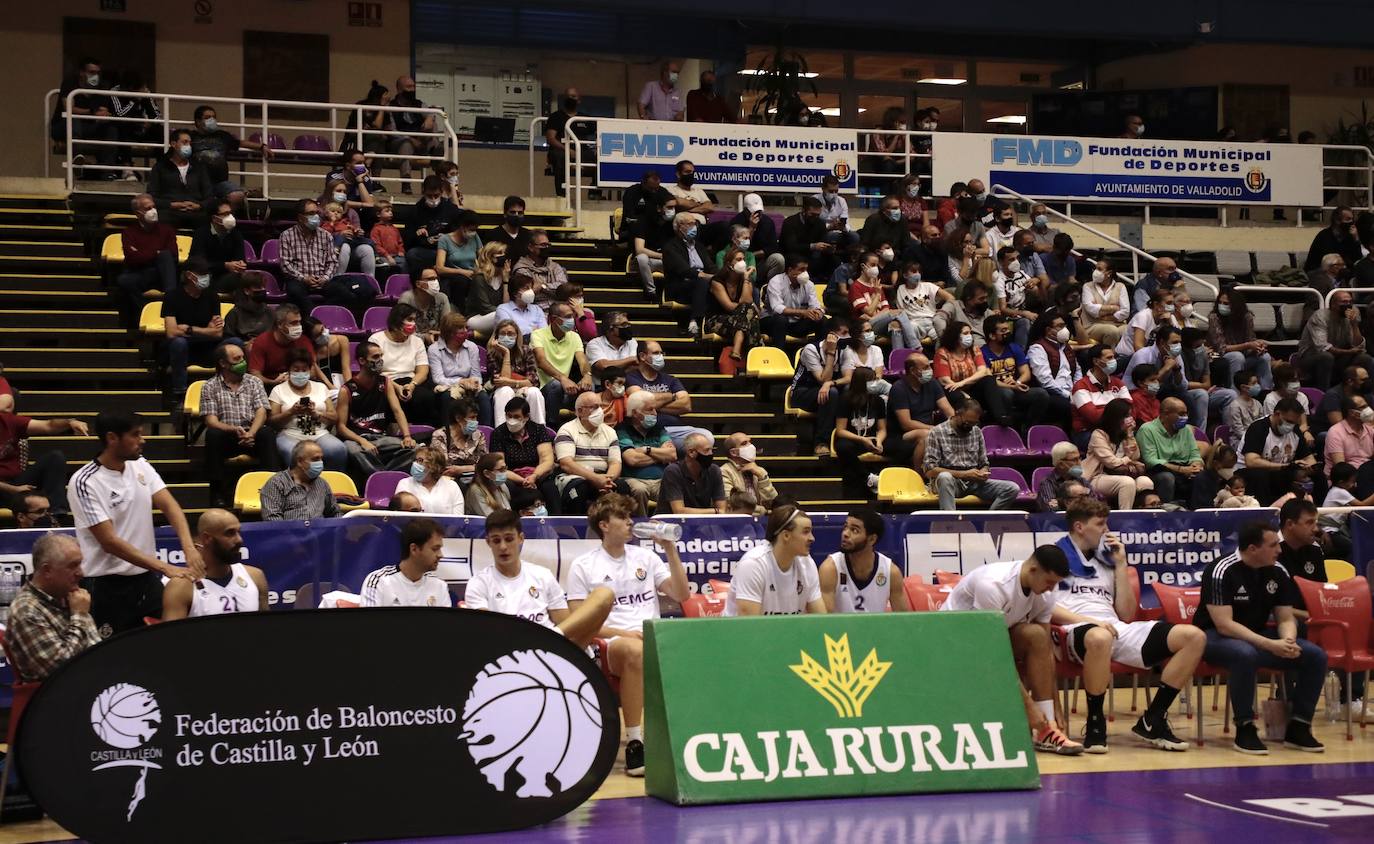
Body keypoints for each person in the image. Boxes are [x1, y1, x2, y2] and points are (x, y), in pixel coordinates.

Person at [1053, 499, 1203, 752]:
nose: (1106, 529)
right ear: (1079, 526)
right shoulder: (1054, 555)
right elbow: (1044, 607)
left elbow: (1126, 613)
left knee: (1193, 637)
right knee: (1099, 637)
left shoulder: (1107, 559)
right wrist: (1089, 621)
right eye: (1100, 523)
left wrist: (1121, 564)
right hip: (1072, 629)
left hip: (1113, 627)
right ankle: (1095, 723)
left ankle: (1153, 719)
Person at [567, 492, 691, 776]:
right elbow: (579, 622)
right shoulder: (584, 565)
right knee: (634, 651)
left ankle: (690, 736)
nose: (630, 523)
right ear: (604, 525)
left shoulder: (646, 558)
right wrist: (625, 632)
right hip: (610, 643)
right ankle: (635, 742)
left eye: (630, 517)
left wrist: (670, 551)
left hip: (654, 636)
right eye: (622, 517)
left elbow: (682, 594)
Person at [1193, 521, 1327, 754]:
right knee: (1244, 654)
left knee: (1315, 656)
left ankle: (1299, 725)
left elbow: (1285, 618)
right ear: (1253, 549)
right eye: (1273, 545)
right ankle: (1244, 727)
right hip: (1211, 637)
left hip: (1257, 634)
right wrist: (1270, 644)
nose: (1280, 550)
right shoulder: (1221, 570)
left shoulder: (1278, 570)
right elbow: (1224, 625)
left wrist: (1288, 642)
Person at [69, 410, 204, 636]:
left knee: (159, 647)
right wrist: (165, 567)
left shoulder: (140, 464)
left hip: (145, 580)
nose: (143, 439)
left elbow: (170, 506)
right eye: (135, 434)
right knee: (110, 658)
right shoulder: (84, 481)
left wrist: (189, 548)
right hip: (105, 584)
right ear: (112, 438)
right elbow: (109, 542)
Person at [940, 545, 1085, 755]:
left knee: (1036, 635)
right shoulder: (993, 585)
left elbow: (1044, 648)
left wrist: (1053, 704)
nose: (1052, 589)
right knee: (1018, 642)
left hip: (993, 637)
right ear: (1033, 569)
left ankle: (1046, 731)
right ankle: (1041, 726)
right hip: (954, 641)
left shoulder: (1044, 593)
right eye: (1049, 582)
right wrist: (1029, 707)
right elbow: (993, 652)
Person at [471, 509, 613, 644]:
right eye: (496, 541)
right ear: (488, 542)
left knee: (604, 594)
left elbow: (566, 623)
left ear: (521, 539)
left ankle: (551, 640)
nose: (503, 547)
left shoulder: (542, 575)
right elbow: (488, 632)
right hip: (510, 654)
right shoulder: (478, 583)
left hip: (553, 649)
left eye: (509, 539)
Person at [5, 534, 100, 682]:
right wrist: (80, 616)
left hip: (94, 683)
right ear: (47, 570)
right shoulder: (26, 610)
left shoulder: (69, 596)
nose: (81, 573)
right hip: (63, 697)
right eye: (73, 566)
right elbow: (61, 669)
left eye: (80, 564)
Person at [200, 342, 278, 505]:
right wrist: (234, 429)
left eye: (243, 357)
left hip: (253, 435)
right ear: (223, 363)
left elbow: (261, 411)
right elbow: (211, 421)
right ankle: (217, 493)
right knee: (212, 435)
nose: (243, 362)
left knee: (268, 433)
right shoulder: (210, 386)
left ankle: (272, 490)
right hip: (228, 436)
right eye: (237, 359)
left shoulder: (254, 382)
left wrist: (252, 432)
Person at [725, 501, 827, 617]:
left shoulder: (807, 564)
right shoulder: (754, 564)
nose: (812, 538)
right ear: (786, 536)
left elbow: (820, 619)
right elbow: (749, 627)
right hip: (740, 634)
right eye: (806, 532)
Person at [162, 509, 267, 619]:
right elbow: (171, 635)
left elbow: (265, 628)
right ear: (207, 538)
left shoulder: (255, 577)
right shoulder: (181, 587)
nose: (239, 540)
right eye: (230, 533)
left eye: (238, 532)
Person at [336, 342, 419, 476]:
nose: (380, 360)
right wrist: (362, 441)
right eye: (375, 357)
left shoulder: (385, 382)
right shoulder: (347, 390)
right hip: (356, 439)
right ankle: (381, 477)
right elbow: (340, 427)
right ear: (362, 360)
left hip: (381, 438)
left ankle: (382, 475)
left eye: (381, 356)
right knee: (354, 451)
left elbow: (397, 411)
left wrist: (407, 436)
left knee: (415, 449)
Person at [923, 399, 1021, 510]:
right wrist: (963, 474)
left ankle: (987, 522)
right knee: (944, 477)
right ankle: (951, 523)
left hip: (974, 482)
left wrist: (983, 472)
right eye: (967, 422)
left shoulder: (976, 432)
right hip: (951, 483)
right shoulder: (937, 432)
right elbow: (929, 471)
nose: (969, 426)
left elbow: (984, 463)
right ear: (957, 414)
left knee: (1012, 488)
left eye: (974, 423)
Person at [268, 349, 347, 471]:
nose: (300, 373)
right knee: (295, 454)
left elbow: (334, 417)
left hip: (320, 433)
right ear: (288, 370)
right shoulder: (278, 390)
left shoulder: (321, 387)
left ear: (310, 370)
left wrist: (317, 413)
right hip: (290, 434)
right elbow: (272, 421)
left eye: (304, 369)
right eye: (296, 369)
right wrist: (291, 412)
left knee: (338, 449)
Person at [818, 509, 908, 613]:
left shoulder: (891, 572)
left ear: (872, 539)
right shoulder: (830, 568)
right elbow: (824, 619)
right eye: (845, 527)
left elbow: (903, 620)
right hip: (841, 629)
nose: (845, 534)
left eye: (854, 530)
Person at [555, 391, 630, 514]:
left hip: (604, 476)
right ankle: (576, 531)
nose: (600, 411)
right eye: (594, 407)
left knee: (622, 487)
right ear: (579, 411)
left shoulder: (610, 432)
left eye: (601, 406)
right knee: (580, 488)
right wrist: (595, 479)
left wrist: (607, 481)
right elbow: (566, 464)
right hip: (575, 477)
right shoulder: (567, 430)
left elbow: (615, 463)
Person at [159, 258, 224, 395]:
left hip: (207, 346)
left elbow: (218, 333)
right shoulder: (172, 296)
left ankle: (227, 390)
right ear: (189, 275)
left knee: (234, 343)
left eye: (207, 273)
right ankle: (179, 392)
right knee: (178, 342)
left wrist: (190, 329)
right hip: (183, 347)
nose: (206, 277)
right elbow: (171, 332)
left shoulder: (212, 296)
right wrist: (207, 330)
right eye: (202, 273)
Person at [1123, 325, 1207, 430]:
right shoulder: (1143, 355)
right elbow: (1144, 384)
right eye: (1175, 342)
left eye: (1179, 342)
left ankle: (1196, 432)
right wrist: (1166, 368)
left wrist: (1176, 370)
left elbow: (1183, 386)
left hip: (1163, 392)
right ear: (1162, 343)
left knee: (1197, 395)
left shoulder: (1176, 356)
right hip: (1138, 392)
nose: (1178, 346)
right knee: (1178, 399)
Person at [115, 194, 179, 328]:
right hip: (141, 273)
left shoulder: (167, 230)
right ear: (138, 213)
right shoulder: (129, 232)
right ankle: (144, 314)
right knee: (124, 281)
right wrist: (156, 253)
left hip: (163, 274)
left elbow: (173, 254)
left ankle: (171, 303)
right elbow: (132, 258)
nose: (153, 211)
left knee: (166, 257)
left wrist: (146, 254)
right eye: (148, 208)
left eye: (154, 207)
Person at [1237, 397, 1316, 505]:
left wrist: (1308, 468)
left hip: (1280, 471)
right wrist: (1286, 466)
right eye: (1289, 421)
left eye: (1294, 423)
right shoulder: (1258, 428)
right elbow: (1251, 461)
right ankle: (1264, 514)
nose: (1291, 426)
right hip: (1248, 472)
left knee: (1318, 475)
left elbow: (1309, 458)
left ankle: (1317, 511)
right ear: (1278, 414)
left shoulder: (1295, 431)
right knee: (1260, 476)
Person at [885, 352, 956, 472]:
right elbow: (906, 424)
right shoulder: (899, 388)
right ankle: (920, 477)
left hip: (928, 430)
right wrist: (935, 429)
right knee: (927, 435)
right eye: (926, 367)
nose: (930, 370)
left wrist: (955, 425)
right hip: (900, 436)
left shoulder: (932, 383)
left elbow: (948, 409)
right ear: (913, 370)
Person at [189, 104, 271, 205]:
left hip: (220, 183)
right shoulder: (190, 137)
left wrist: (262, 147)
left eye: (213, 117)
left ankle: (224, 215)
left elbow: (241, 143)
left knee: (237, 195)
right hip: (197, 183)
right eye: (207, 117)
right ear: (197, 121)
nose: (212, 120)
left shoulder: (223, 136)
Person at [369, 303, 435, 426]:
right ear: (397, 321)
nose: (413, 324)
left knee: (427, 397)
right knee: (389, 398)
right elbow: (374, 371)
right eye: (409, 319)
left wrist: (412, 385)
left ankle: (423, 434)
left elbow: (423, 370)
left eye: (415, 320)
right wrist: (396, 387)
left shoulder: (417, 341)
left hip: (410, 381)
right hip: (386, 381)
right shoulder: (376, 340)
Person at [361, 518, 452, 607]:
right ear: (414, 549)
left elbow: (446, 622)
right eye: (435, 549)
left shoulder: (439, 585)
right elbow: (369, 621)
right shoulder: (379, 581)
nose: (440, 555)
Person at [1083, 399, 1154, 510]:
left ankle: (1141, 520)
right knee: (1127, 483)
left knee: (1146, 482)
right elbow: (1112, 462)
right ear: (1116, 418)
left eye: (1131, 415)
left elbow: (1135, 456)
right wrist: (1128, 460)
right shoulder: (1098, 434)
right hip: (1097, 477)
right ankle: (1125, 520)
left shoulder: (1124, 434)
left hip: (1121, 474)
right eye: (1126, 416)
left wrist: (1130, 435)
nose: (1130, 419)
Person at [491, 396, 558, 515]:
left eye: (516, 417)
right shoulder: (498, 433)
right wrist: (523, 480)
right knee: (507, 486)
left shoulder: (538, 430)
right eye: (509, 416)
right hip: (512, 476)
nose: (511, 420)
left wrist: (534, 476)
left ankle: (556, 523)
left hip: (537, 474)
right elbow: (499, 466)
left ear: (526, 417)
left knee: (550, 487)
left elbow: (547, 460)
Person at [982, 315, 1051, 429]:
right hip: (996, 392)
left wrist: (1017, 383)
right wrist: (1011, 387)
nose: (1008, 332)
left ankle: (1028, 429)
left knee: (1041, 394)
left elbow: (1026, 373)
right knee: (1006, 393)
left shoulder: (1014, 348)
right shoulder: (982, 353)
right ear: (992, 335)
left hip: (1015, 387)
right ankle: (1008, 428)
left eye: (1008, 329)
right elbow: (988, 379)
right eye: (1003, 330)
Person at [1296, 289, 1373, 389]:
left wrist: (1354, 325)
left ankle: (1363, 394)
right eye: (1344, 302)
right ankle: (1324, 394)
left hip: (1339, 357)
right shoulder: (1320, 317)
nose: (1348, 305)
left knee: (1365, 358)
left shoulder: (1353, 314)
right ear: (1333, 305)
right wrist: (1349, 352)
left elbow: (1359, 346)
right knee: (1326, 357)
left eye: (1350, 302)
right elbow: (1323, 347)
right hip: (1311, 357)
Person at [1136, 397, 1204, 505]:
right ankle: (1165, 513)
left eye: (1186, 414)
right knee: (1167, 477)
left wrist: (1196, 465)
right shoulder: (1147, 430)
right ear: (1165, 414)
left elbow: (1195, 454)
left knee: (1202, 475)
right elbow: (1150, 461)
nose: (1185, 418)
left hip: (1185, 469)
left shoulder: (1186, 430)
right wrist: (1181, 469)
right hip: (1159, 471)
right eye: (1181, 414)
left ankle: (1197, 514)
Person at [616, 392, 674, 515]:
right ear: (636, 413)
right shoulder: (622, 430)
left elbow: (672, 454)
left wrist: (647, 450)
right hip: (634, 479)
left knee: (674, 487)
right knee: (639, 490)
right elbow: (632, 459)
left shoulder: (658, 428)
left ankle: (667, 527)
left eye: (655, 409)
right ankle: (640, 528)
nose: (655, 413)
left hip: (660, 480)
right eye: (650, 409)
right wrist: (660, 456)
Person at [833, 367, 886, 497]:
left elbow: (882, 429)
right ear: (861, 383)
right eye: (872, 381)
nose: (875, 383)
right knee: (843, 447)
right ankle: (868, 477)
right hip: (854, 440)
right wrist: (862, 440)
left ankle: (892, 481)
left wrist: (879, 442)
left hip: (873, 439)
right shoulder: (845, 399)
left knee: (900, 446)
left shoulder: (878, 401)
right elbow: (840, 431)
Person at [486, 318, 547, 428]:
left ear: (517, 336)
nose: (506, 337)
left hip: (524, 389)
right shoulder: (492, 354)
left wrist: (513, 382)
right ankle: (501, 433)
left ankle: (540, 432)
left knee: (534, 392)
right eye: (503, 334)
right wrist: (506, 353)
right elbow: (501, 381)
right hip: (501, 392)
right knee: (505, 390)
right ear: (496, 337)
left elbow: (533, 381)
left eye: (510, 334)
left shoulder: (526, 350)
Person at [532, 301, 592, 413]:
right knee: (556, 384)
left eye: (573, 316)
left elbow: (582, 360)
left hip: (567, 388)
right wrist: (563, 378)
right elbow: (541, 361)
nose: (572, 320)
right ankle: (551, 427)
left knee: (589, 387)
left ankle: (585, 424)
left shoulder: (575, 336)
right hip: (544, 389)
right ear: (554, 319)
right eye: (568, 317)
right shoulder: (537, 334)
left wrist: (587, 375)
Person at [706, 252, 762, 371]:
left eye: (744, 259)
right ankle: (755, 362)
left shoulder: (746, 281)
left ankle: (738, 352)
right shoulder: (717, 281)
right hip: (717, 320)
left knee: (748, 314)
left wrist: (747, 278)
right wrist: (748, 308)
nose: (743, 262)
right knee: (749, 315)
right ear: (729, 264)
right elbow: (729, 306)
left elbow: (746, 301)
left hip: (739, 321)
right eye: (738, 259)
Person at [146, 129, 213, 228]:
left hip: (195, 211)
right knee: (159, 219)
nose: (189, 146)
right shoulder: (160, 167)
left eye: (190, 143)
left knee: (210, 221)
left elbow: (209, 196)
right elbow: (152, 196)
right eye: (185, 142)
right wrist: (172, 204)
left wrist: (199, 206)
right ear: (173, 144)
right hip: (170, 211)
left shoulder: (199, 167)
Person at [662, 213, 715, 336]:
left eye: (695, 224)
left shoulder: (699, 246)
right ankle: (694, 321)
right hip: (680, 286)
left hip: (702, 281)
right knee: (701, 283)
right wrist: (705, 276)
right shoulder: (671, 247)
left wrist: (720, 275)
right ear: (680, 227)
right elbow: (684, 270)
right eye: (691, 224)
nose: (695, 227)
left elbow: (711, 266)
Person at [1207, 289, 1272, 390]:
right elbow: (1222, 348)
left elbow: (1251, 340)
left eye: (1226, 303)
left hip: (1244, 355)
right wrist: (1248, 345)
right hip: (1221, 358)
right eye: (1220, 302)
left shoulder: (1247, 317)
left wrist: (1258, 347)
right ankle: (1235, 392)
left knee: (1265, 357)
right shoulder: (1214, 317)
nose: (1222, 305)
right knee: (1237, 356)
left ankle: (1266, 391)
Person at [260, 440, 341, 522]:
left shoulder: (322, 484)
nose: (321, 463)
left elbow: (334, 512)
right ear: (299, 461)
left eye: (321, 459)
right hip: (288, 533)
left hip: (320, 533)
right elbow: (272, 520)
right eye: (315, 459)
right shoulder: (276, 483)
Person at [1071, 345, 1131, 443]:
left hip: (1114, 429)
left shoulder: (1118, 383)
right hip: (1087, 432)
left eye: (1114, 357)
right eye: (1109, 358)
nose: (1114, 361)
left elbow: (1130, 409)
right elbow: (1094, 417)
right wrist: (1118, 411)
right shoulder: (1081, 386)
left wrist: (1106, 410)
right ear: (1096, 361)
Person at [656, 432, 724, 515]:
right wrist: (715, 511)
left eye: (712, 450)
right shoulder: (673, 471)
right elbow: (679, 511)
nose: (711, 454)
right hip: (671, 524)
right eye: (707, 450)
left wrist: (717, 511)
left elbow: (722, 510)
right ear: (691, 452)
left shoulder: (714, 470)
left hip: (702, 523)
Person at [763, 256, 825, 347]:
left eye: (806, 270)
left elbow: (815, 305)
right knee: (780, 319)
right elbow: (777, 308)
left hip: (795, 324)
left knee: (822, 320)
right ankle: (780, 354)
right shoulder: (776, 281)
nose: (805, 273)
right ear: (790, 270)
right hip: (772, 321)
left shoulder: (809, 284)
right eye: (801, 270)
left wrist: (817, 312)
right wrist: (803, 312)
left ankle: (817, 352)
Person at [405, 176, 463, 270]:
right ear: (423, 192)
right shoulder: (415, 211)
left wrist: (446, 238)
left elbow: (458, 232)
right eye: (429, 196)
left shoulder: (451, 209)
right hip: (425, 249)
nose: (433, 199)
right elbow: (408, 240)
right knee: (412, 254)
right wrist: (417, 234)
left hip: (447, 250)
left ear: (441, 192)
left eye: (436, 196)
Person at [190, 198, 247, 292]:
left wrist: (240, 265)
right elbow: (198, 263)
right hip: (207, 277)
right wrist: (225, 265)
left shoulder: (236, 234)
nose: (230, 217)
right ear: (214, 218)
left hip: (229, 277)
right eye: (225, 214)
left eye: (230, 213)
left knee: (245, 279)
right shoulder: (201, 234)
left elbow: (240, 257)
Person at [430, 397, 487, 485]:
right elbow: (443, 467)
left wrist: (462, 469)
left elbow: (486, 464)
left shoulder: (478, 435)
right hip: (449, 481)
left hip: (474, 477)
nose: (475, 421)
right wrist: (473, 467)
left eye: (476, 417)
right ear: (458, 418)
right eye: (472, 417)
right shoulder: (440, 436)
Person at [395, 445, 465, 515]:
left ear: (434, 465)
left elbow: (458, 519)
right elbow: (401, 516)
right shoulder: (404, 484)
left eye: (420, 460)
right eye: (415, 460)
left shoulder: (452, 486)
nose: (415, 464)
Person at [719, 433, 777, 515]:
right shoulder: (724, 472)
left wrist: (762, 478)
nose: (751, 446)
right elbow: (736, 506)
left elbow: (773, 503)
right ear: (733, 452)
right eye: (744, 443)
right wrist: (765, 512)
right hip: (738, 523)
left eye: (750, 442)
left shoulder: (759, 471)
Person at [433, 210, 481, 303]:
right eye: (471, 230)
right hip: (454, 277)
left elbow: (483, 257)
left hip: (473, 275)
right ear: (462, 226)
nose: (473, 232)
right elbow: (440, 268)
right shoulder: (445, 240)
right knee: (462, 281)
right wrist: (462, 272)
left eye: (475, 230)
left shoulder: (475, 237)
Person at [513, 230, 569, 309]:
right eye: (543, 245)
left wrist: (543, 287)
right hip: (534, 308)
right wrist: (553, 288)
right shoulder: (521, 269)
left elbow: (564, 289)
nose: (546, 248)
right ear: (530, 247)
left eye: (548, 245)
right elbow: (529, 294)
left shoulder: (555, 266)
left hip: (558, 308)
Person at [1079, 262, 1131, 347]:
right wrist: (1114, 308)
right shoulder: (1087, 286)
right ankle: (1109, 357)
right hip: (1092, 325)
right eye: (1095, 268)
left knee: (1129, 330)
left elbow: (1125, 312)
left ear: (1109, 273)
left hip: (1117, 323)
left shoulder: (1120, 286)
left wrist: (1104, 315)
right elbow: (1091, 309)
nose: (1095, 271)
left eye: (1099, 269)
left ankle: (1124, 357)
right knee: (1112, 331)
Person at [1324, 395, 1374, 482]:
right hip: (1345, 481)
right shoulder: (1335, 432)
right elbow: (1341, 468)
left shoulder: (1370, 430)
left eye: (1367, 406)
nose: (1368, 409)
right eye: (1363, 407)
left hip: (1367, 475)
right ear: (1352, 413)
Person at [780, 196, 833, 272]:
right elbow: (791, 247)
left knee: (833, 258)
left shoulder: (820, 223)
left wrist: (828, 248)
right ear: (803, 210)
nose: (815, 217)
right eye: (812, 214)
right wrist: (813, 246)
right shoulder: (790, 222)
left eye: (818, 215)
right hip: (793, 254)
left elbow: (823, 240)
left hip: (812, 254)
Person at [1304, 206, 1362, 272]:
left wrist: (1356, 239)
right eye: (1348, 219)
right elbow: (1327, 262)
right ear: (1337, 220)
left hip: (1342, 274)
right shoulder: (1324, 236)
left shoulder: (1349, 237)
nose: (1351, 222)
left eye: (1352, 219)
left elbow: (1358, 260)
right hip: (1320, 273)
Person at [587, 311, 638, 383]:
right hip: (602, 387)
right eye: (624, 325)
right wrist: (631, 359)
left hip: (626, 384)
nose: (628, 327)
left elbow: (634, 367)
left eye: (628, 324)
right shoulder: (595, 343)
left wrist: (612, 369)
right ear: (610, 329)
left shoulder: (632, 342)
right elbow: (604, 366)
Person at [495, 275, 548, 339]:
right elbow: (510, 334)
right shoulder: (503, 309)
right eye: (526, 288)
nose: (531, 291)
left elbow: (545, 333)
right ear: (515, 293)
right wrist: (534, 331)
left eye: (531, 288)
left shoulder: (537, 309)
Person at [1036, 443, 1083, 512]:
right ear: (1061, 464)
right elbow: (1052, 509)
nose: (1079, 463)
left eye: (1079, 458)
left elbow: (1094, 505)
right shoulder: (1047, 483)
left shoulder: (1082, 481)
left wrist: (1060, 502)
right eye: (1074, 460)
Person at [665, 159, 714, 225]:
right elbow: (680, 203)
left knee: (723, 226)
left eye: (692, 172)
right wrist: (700, 204)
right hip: (682, 228)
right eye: (687, 172)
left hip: (702, 227)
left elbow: (710, 207)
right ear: (678, 174)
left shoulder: (699, 191)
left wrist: (688, 210)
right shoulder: (670, 189)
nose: (691, 175)